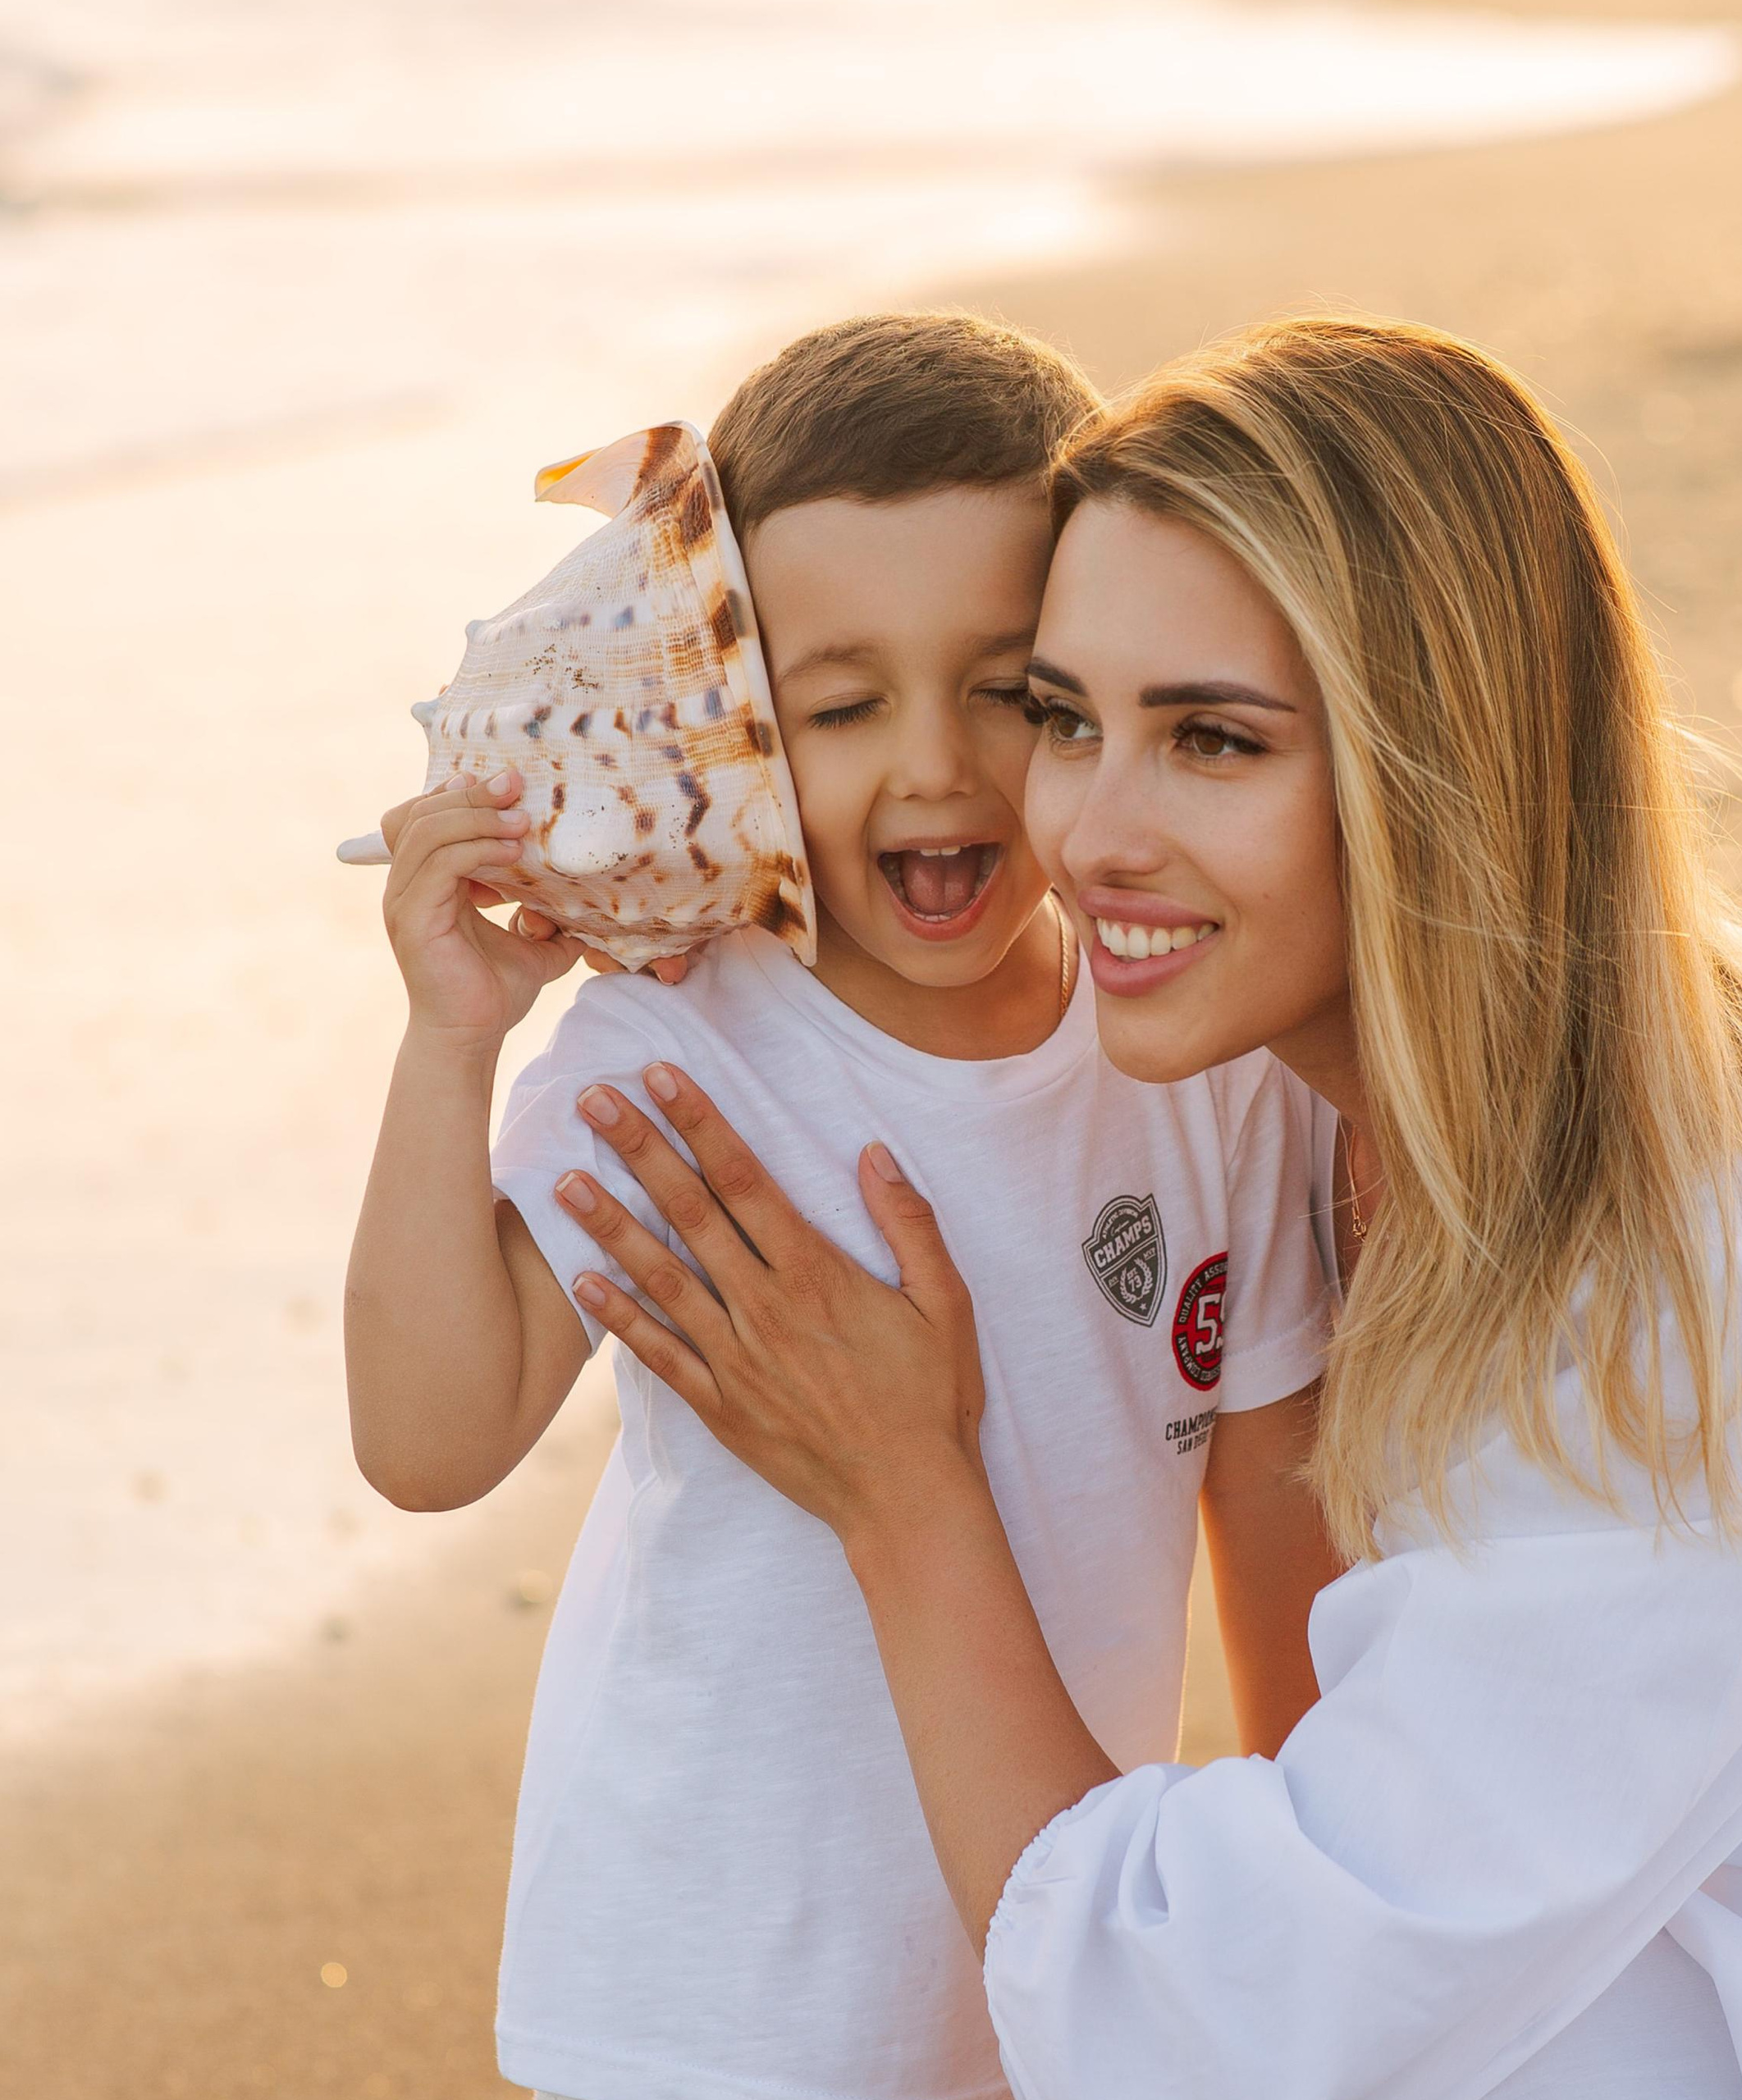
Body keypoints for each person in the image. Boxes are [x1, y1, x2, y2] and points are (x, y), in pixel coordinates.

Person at [548, 317, 1742, 2098]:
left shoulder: (1731, 1315)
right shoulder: (1409, 1134)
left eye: (1212, 740)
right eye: (1066, 716)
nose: (1086, 830)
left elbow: (1221, 2026)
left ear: (1438, 769)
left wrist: (902, 1491)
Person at [343, 312, 1341, 2100]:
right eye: (842, 701)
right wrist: (452, 1045)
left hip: (1036, 1962)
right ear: (731, 723)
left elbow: (1272, 1537)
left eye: (1007, 687)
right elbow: (430, 1436)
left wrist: (1308, 1968)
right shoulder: (682, 1041)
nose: (937, 765)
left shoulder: (1209, 1064)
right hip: (692, 1993)